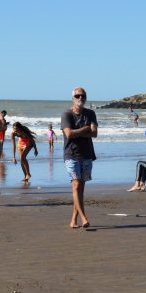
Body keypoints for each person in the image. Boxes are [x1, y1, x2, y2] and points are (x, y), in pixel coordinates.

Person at [61, 87, 98, 229]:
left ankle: (73, 220)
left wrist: (80, 132)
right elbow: (69, 134)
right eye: (77, 96)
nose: (80, 98)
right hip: (71, 154)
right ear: (73, 98)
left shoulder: (90, 113)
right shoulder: (66, 115)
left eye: (83, 96)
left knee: (81, 188)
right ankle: (84, 218)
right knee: (76, 184)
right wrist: (85, 129)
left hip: (87, 154)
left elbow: (94, 133)